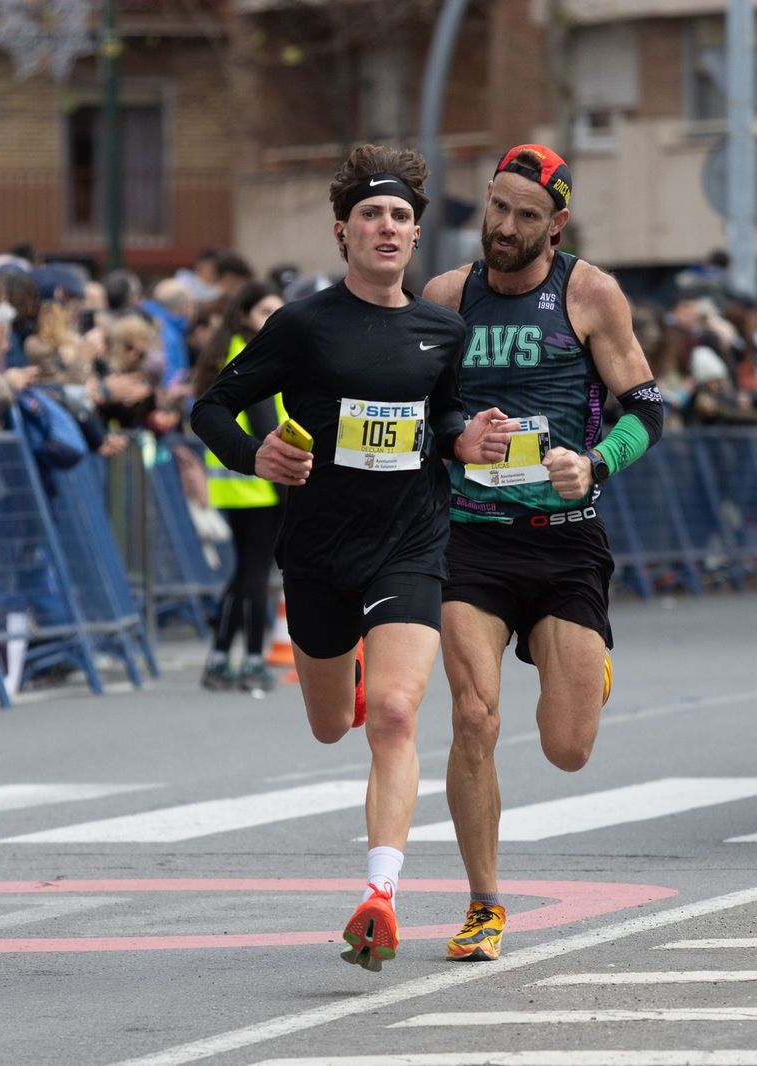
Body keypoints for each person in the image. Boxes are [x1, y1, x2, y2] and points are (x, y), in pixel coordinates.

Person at [191, 144, 511, 972]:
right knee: (336, 724)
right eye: (372, 214)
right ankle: (352, 676)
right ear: (344, 231)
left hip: (410, 543)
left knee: (400, 716)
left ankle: (381, 895)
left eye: (402, 216)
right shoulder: (303, 324)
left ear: (415, 237)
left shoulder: (443, 330)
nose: (388, 226)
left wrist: (466, 440)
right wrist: (253, 452)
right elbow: (210, 407)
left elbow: (445, 421)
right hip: (321, 550)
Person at [420, 144, 662, 963]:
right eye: (498, 208)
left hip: (564, 542)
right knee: (472, 716)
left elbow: (649, 409)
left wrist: (592, 463)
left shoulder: (589, 293)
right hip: (472, 541)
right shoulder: (447, 297)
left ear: (556, 225)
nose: (506, 228)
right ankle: (484, 903)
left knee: (567, 748)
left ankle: (584, 668)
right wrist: (456, 438)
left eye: (528, 216)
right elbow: (418, 417)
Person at [193, 281, 286, 695]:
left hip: (236, 484)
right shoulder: (252, 352)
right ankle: (250, 659)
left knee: (243, 574)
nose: (273, 318)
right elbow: (266, 422)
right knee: (253, 575)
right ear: (246, 313)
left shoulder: (227, 348)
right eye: (266, 309)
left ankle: (218, 657)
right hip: (261, 484)